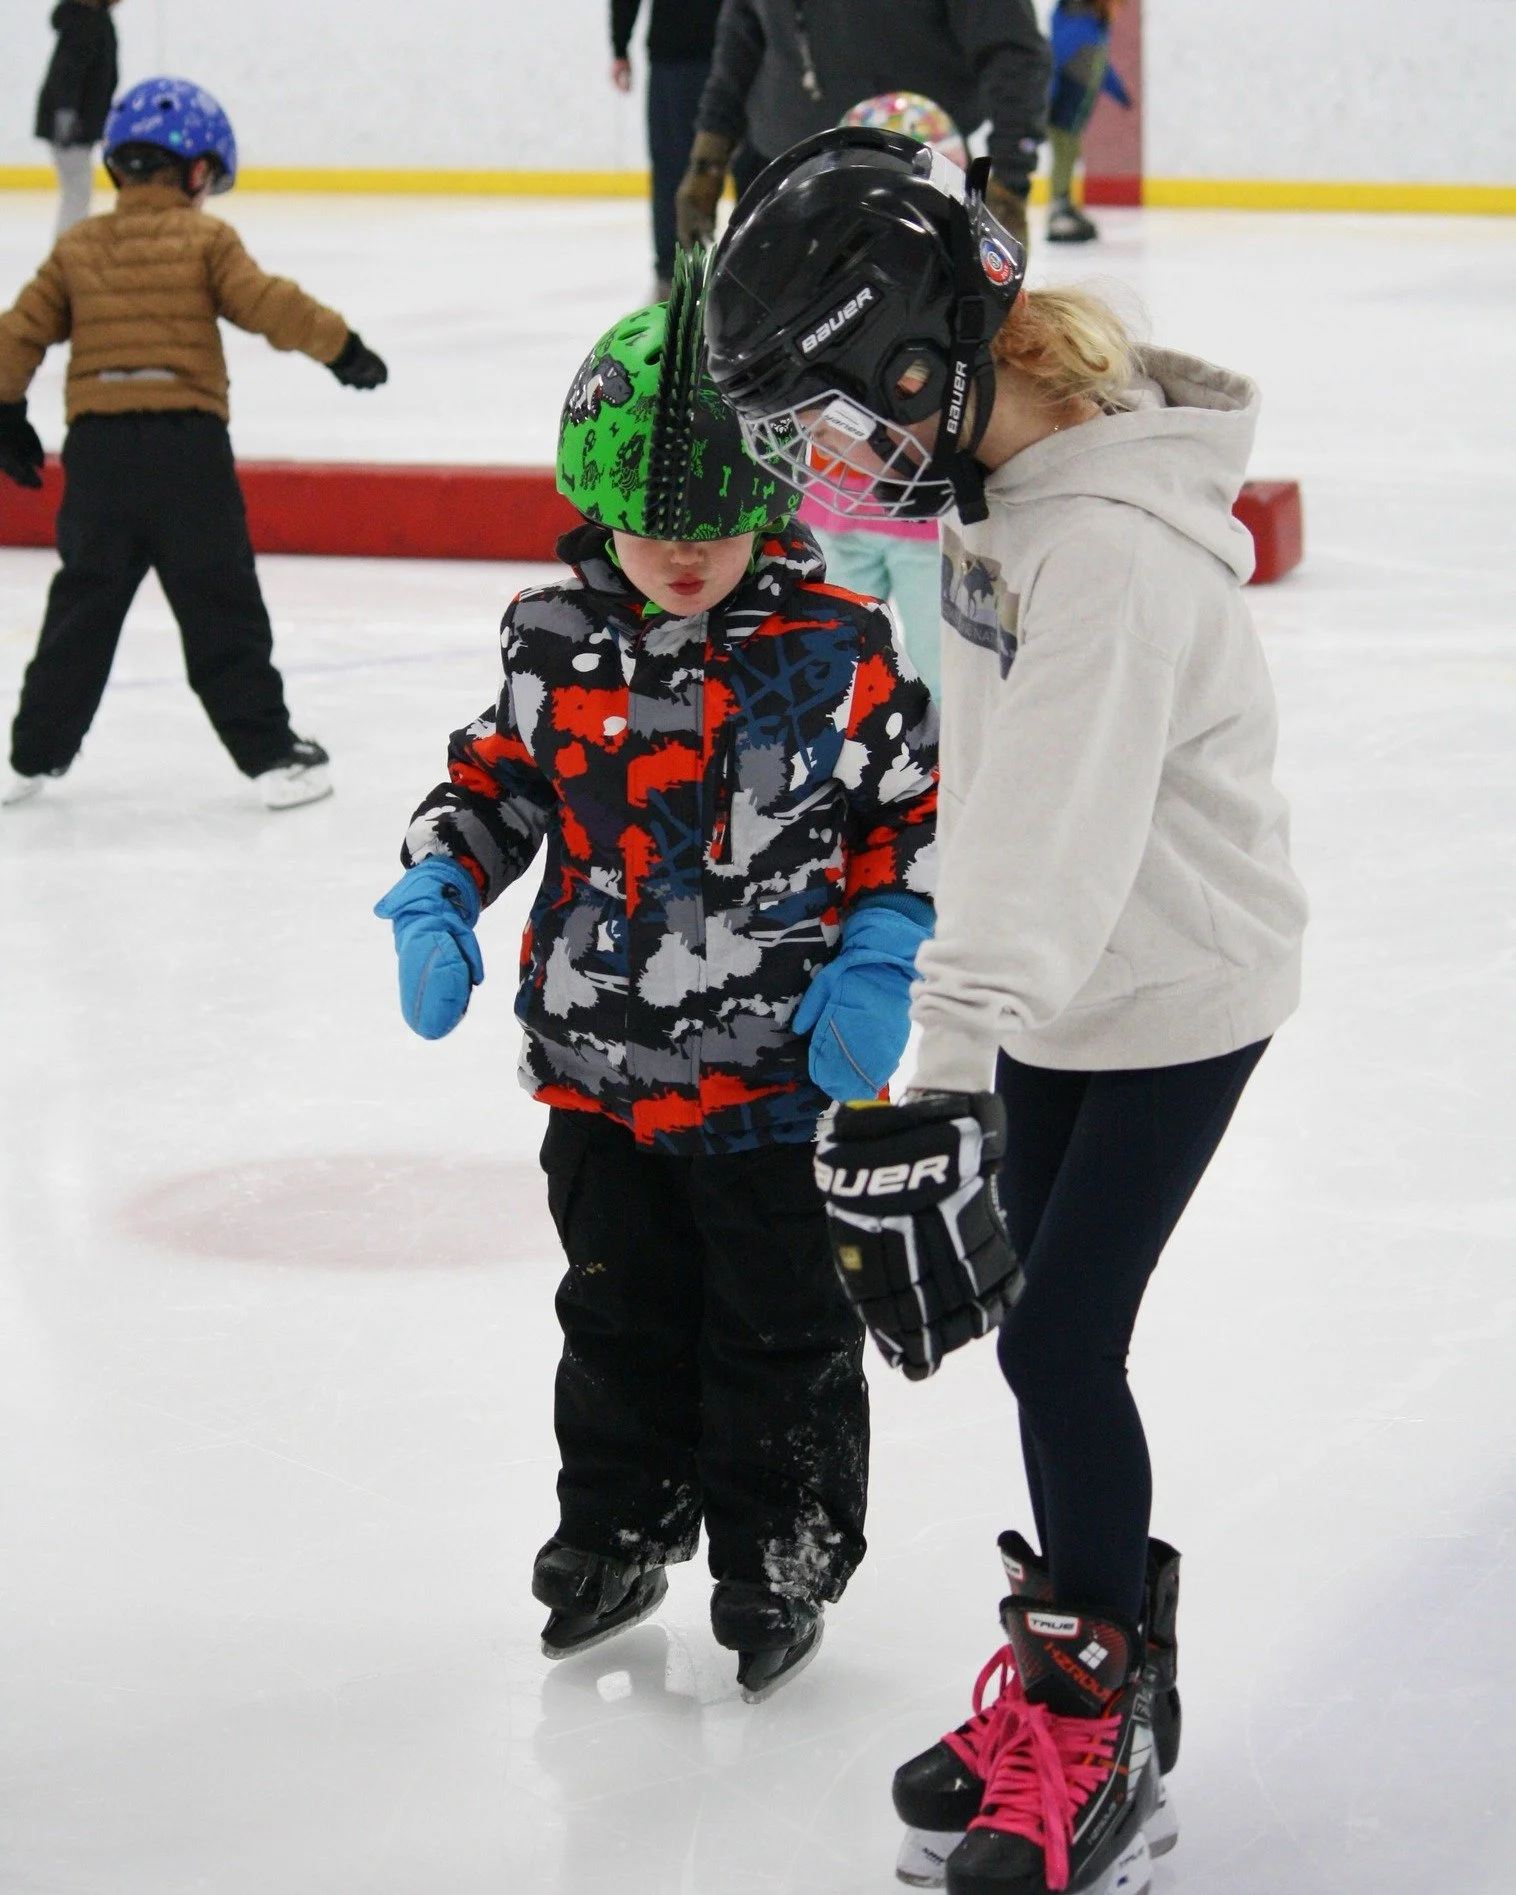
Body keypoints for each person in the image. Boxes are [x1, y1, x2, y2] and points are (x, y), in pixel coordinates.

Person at [706, 129, 1307, 1892]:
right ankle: (1077, 1674)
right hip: (1067, 979)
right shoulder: (1001, 497)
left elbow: (1058, 831)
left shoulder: (1107, 561)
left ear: (918, 361)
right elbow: (1001, 796)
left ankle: (1101, 1734)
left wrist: (941, 1068)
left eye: (828, 409)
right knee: (1047, 1334)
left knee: (1054, 1339)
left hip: (1172, 988)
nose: (822, 455)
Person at [373, 249, 938, 1701]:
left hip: (771, 1078)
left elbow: (908, 820)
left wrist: (880, 950)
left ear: (774, 503)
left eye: (720, 522)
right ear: (596, 502)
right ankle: (618, 1522)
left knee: (781, 1322)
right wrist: (440, 880)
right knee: (615, 1308)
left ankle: (781, 1546)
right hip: (597, 1076)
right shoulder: (551, 643)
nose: (682, 554)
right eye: (646, 522)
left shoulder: (842, 651)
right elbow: (501, 782)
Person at [0, 77, 388, 812]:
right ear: (200, 172)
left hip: (100, 454)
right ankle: (273, 758)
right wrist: (343, 348)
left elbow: (18, 330)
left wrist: (4, 409)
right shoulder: (208, 238)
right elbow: (270, 303)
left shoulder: (77, 246)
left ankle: (29, 756)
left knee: (82, 607)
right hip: (188, 452)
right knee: (220, 603)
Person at [794, 91, 968, 700]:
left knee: (942, 667)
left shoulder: (957, 291)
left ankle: (945, 771)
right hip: (835, 502)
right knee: (825, 666)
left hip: (919, 514)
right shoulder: (814, 279)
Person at [675, 0, 1048, 251]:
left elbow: (1015, 53)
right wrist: (707, 160)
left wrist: (1009, 183)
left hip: (912, 191)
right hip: (784, 182)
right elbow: (738, 45)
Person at [609, 0, 724, 299]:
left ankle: (675, 270)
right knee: (674, 169)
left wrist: (620, 46)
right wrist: (620, 45)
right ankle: (673, 269)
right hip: (684, 55)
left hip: (713, 53)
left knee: (676, 168)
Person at [1046, 0, 1132, 244]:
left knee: (1071, 152)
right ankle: (1058, 207)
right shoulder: (1078, 25)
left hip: (1074, 110)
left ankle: (1064, 203)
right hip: (1063, 106)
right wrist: (1048, 100)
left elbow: (1099, 66)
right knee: (1065, 153)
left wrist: (1120, 93)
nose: (1120, 9)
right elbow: (1056, 58)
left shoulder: (1095, 27)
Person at [34, 0, 120, 236]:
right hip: (70, 126)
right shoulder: (83, 23)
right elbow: (67, 73)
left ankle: (70, 248)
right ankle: (68, 250)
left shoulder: (97, 20)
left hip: (80, 123)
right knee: (77, 189)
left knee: (78, 188)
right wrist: (65, 113)